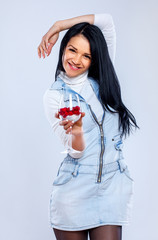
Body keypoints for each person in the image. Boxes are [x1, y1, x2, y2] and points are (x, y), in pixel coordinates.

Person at [38, 13, 139, 240]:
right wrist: (76, 132)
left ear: (95, 59)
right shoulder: (55, 96)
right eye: (72, 50)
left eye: (87, 55)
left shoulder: (103, 79)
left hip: (112, 187)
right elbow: (75, 152)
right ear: (63, 49)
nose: (76, 60)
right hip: (73, 190)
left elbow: (107, 22)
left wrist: (58, 26)